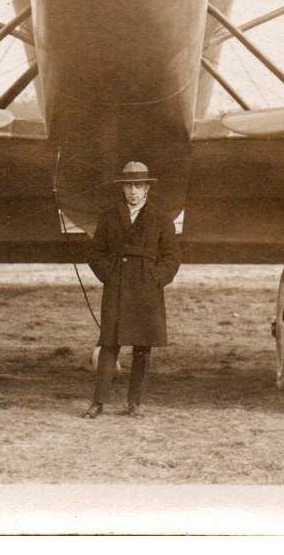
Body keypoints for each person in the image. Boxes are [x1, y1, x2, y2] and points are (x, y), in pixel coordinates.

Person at [83, 161, 181, 418]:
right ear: (123, 188)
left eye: (139, 186)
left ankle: (135, 403)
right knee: (109, 343)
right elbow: (95, 253)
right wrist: (109, 275)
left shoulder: (160, 219)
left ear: (147, 188)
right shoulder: (109, 217)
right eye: (129, 186)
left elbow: (172, 257)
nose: (133, 192)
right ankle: (98, 403)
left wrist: (156, 278)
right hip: (117, 286)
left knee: (142, 346)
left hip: (146, 289)